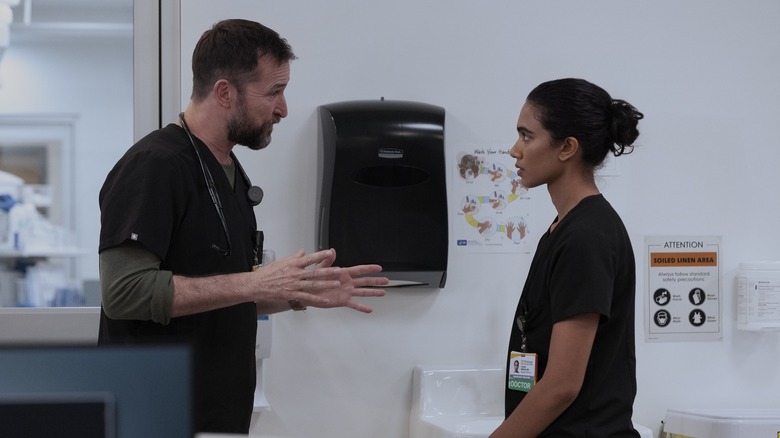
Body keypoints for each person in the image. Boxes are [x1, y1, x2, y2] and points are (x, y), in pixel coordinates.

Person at [97, 19, 388, 434]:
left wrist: (296, 292)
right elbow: (124, 293)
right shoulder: (154, 166)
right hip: (153, 413)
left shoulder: (230, 172)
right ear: (224, 92)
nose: (284, 108)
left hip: (218, 414)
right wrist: (255, 284)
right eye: (274, 92)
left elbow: (221, 292)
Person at [491, 78, 644, 437]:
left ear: (567, 148)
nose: (515, 150)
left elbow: (562, 385)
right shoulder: (564, 228)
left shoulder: (587, 237)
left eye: (527, 136)